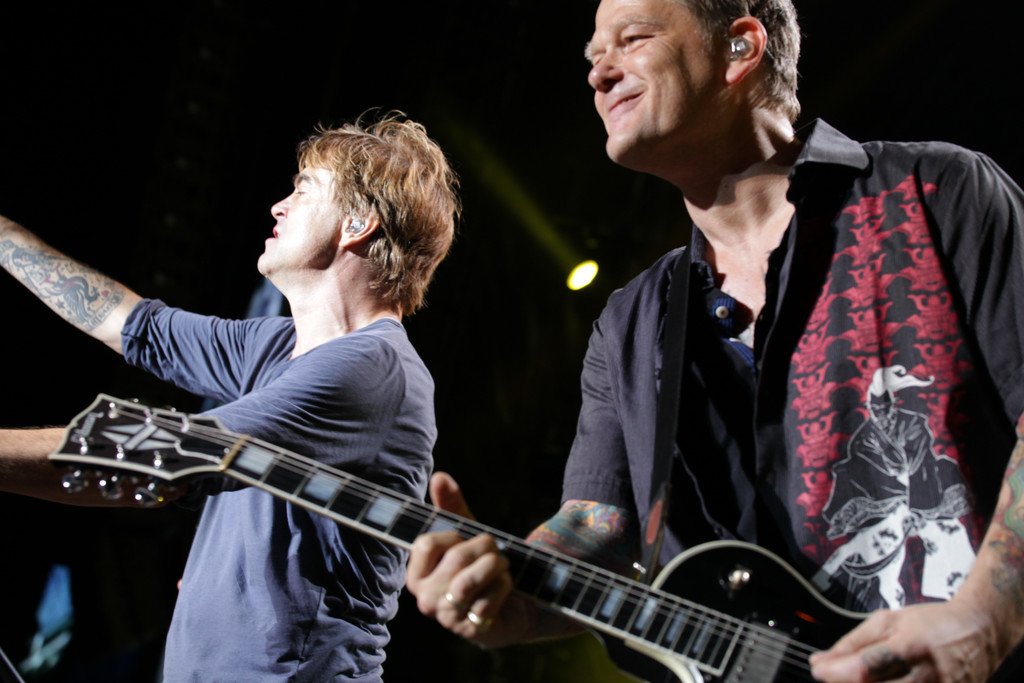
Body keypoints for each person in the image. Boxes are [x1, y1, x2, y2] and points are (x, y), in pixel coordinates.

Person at [405, 1, 1024, 681]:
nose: (599, 73)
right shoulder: (632, 323)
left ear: (740, 47)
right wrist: (513, 588)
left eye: (631, 39)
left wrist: (988, 617)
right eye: (592, 56)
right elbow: (600, 526)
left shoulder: (938, 194)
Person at [0, 113, 459, 681]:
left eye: (304, 189)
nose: (279, 206)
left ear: (358, 224)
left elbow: (163, 455)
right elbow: (137, 326)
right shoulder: (276, 346)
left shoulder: (372, 369)